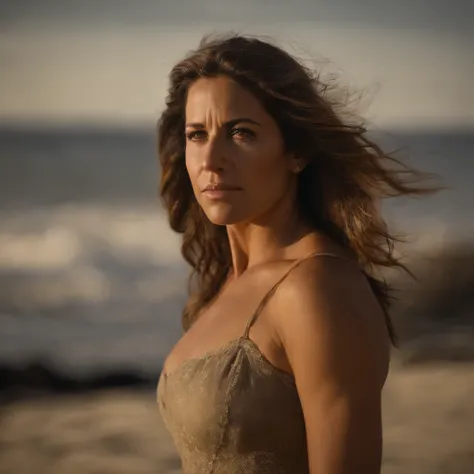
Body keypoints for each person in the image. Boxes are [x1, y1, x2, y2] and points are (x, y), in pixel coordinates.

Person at [156, 33, 434, 474]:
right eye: (197, 134)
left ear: (297, 151)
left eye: (240, 133)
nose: (211, 158)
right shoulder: (225, 283)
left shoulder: (318, 288)